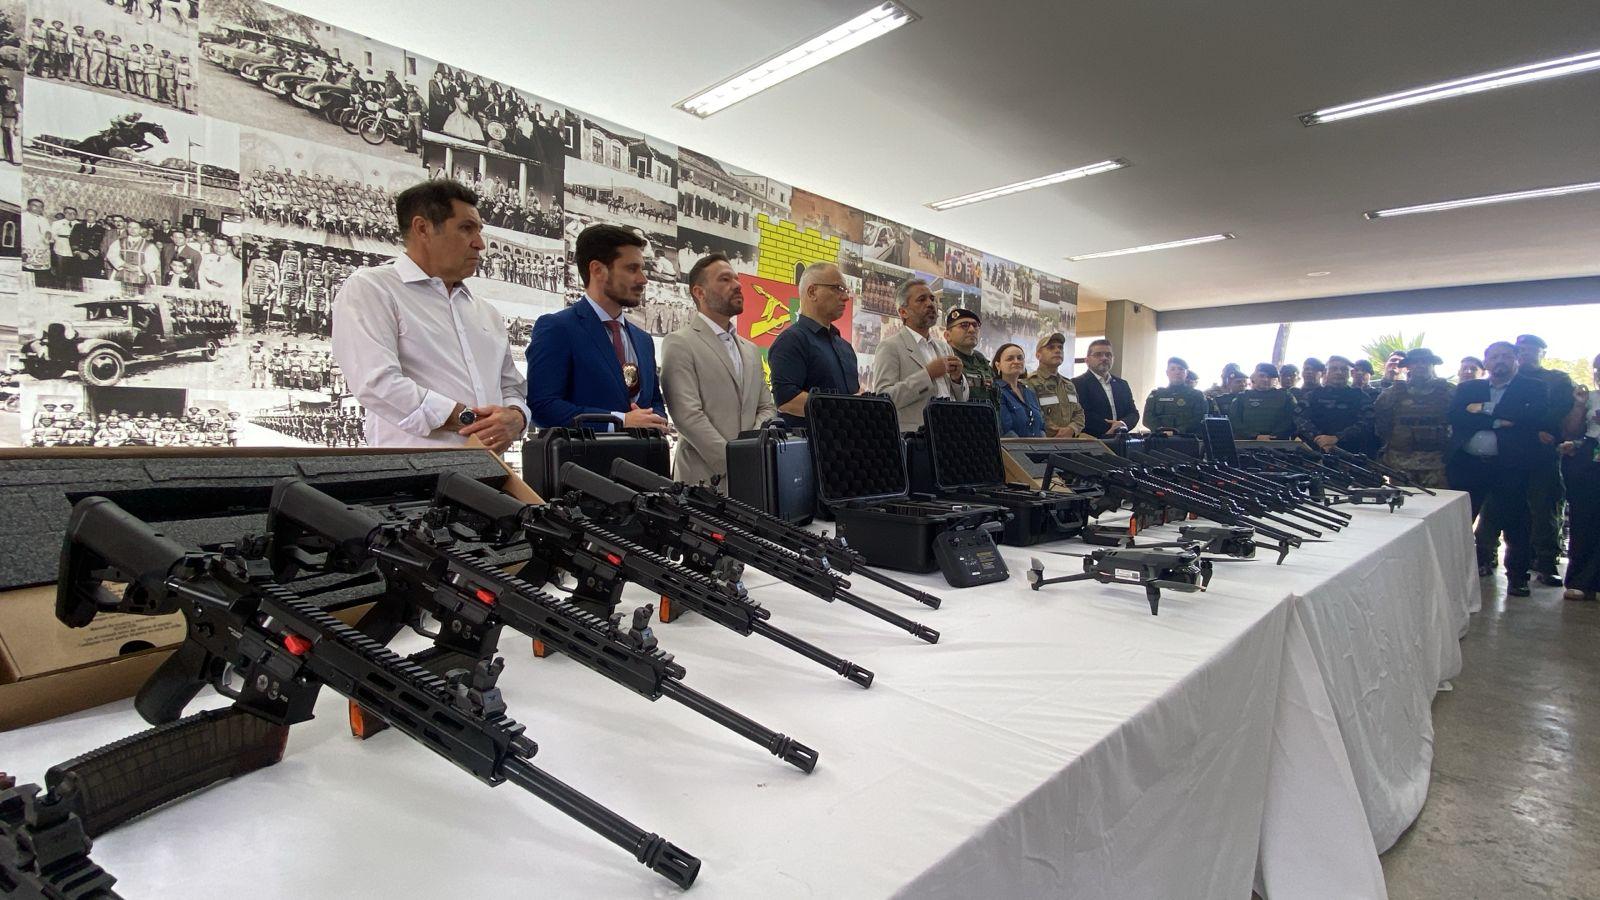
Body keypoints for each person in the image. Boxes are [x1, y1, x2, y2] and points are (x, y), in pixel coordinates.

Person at [330, 179, 528, 451]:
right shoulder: (373, 288)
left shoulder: (487, 313)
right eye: (466, 228)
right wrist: (466, 418)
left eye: (479, 230)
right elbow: (376, 383)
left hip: (489, 475)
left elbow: (512, 386)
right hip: (414, 479)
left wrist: (516, 417)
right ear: (423, 228)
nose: (480, 244)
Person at [525, 224, 668, 431]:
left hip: (643, 461)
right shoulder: (558, 328)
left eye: (642, 269)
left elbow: (654, 402)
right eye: (631, 269)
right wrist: (620, 422)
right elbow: (543, 407)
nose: (643, 279)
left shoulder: (643, 340)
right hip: (585, 461)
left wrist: (654, 420)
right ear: (597, 270)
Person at [659, 253, 777, 489]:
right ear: (699, 292)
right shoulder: (680, 343)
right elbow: (687, 416)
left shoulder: (751, 350)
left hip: (751, 477)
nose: (737, 285)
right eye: (725, 279)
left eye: (736, 279)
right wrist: (733, 461)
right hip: (703, 481)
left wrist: (749, 450)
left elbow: (767, 407)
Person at [1446, 341, 1548, 596]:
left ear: (1516, 359)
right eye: (1494, 357)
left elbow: (1531, 417)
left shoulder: (1534, 387)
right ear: (1487, 362)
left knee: (1516, 523)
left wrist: (1483, 410)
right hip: (1468, 465)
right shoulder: (1469, 387)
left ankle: (1517, 577)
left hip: (1509, 466)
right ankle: (1456, 571)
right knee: (1459, 521)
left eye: (1505, 356)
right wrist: (1503, 420)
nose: (1499, 361)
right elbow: (1456, 416)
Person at [1514, 334, 1576, 586]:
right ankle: (1514, 559)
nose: (1524, 354)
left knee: (1545, 509)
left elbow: (1560, 410)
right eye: (1520, 350)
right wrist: (1531, 429)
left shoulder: (1557, 379)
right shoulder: (1510, 380)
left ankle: (1547, 563)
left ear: (1543, 353)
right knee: (1512, 510)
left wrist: (1534, 426)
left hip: (1544, 455)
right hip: (1513, 453)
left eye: (1530, 350)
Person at [767, 261, 859, 428]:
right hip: (810, 448)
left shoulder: (845, 347)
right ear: (812, 292)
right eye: (838, 288)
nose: (846, 297)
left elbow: (852, 395)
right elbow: (787, 400)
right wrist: (846, 408)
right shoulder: (791, 340)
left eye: (846, 291)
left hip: (849, 445)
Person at [871, 277, 966, 431]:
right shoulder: (890, 347)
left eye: (932, 299)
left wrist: (957, 379)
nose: (930, 304)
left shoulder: (945, 348)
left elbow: (962, 398)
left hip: (949, 434)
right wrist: (927, 375)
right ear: (903, 312)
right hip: (915, 440)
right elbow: (884, 399)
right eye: (921, 300)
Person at [1372, 348, 1452, 488]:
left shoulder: (1448, 392)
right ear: (1408, 366)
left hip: (1437, 464)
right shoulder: (1392, 394)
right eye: (1416, 362)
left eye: (1425, 362)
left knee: (1437, 504)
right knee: (1404, 506)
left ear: (1432, 365)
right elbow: (1382, 426)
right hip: (1401, 464)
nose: (1421, 365)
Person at [1557, 354, 1599, 601]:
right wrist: (1580, 405)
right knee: (1583, 521)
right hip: (1590, 462)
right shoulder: (1589, 397)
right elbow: (1570, 431)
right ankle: (1579, 581)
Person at [1301, 355, 1375, 455]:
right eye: (1334, 369)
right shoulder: (1311, 396)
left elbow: (1368, 421)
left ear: (1349, 374)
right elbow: (1300, 418)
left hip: (1350, 455)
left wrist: (1337, 438)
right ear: (1325, 373)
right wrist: (1320, 439)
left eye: (1344, 369)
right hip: (1315, 453)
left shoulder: (1360, 396)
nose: (1339, 372)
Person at [1072, 338, 1139, 438]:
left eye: (1108, 355)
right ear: (1087, 360)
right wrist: (1112, 428)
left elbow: (1133, 413)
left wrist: (1122, 424)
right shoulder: (1076, 384)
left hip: (1121, 440)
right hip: (1092, 440)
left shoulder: (1122, 384)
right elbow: (1083, 414)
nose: (1104, 358)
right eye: (1098, 354)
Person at [1024, 332, 1085, 437]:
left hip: (1071, 441)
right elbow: (1034, 415)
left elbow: (1079, 412)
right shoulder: (1029, 383)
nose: (1057, 351)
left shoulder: (1068, 384)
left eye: (1060, 348)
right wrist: (1058, 432)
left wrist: (1072, 429)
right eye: (1051, 348)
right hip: (1044, 442)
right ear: (1038, 355)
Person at [1228, 363, 1304, 440]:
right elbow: (1234, 420)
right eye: (1262, 376)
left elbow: (1292, 419)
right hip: (1248, 442)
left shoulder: (1286, 396)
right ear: (1253, 378)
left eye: (1269, 377)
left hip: (1278, 443)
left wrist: (1274, 436)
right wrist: (1254, 436)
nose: (1266, 379)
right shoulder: (1242, 397)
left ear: (1275, 379)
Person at [944, 307, 996, 408]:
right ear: (947, 335)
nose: (972, 330)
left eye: (975, 325)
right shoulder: (945, 361)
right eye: (964, 325)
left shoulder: (983, 362)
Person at [1143, 356, 1208, 436]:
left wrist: (1177, 431)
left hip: (1187, 440)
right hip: (1159, 439)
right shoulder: (1156, 395)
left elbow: (1199, 419)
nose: (1177, 372)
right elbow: (1147, 418)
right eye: (1173, 369)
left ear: (1186, 373)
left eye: (1181, 369)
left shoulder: (1197, 396)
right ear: (1167, 373)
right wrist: (1161, 431)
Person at [993, 342, 1044, 437]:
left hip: (1038, 449)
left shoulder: (1030, 392)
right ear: (998, 365)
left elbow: (1041, 427)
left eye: (1020, 358)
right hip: (1012, 449)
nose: (1016, 361)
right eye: (1010, 359)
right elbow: (1006, 431)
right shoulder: (995, 391)